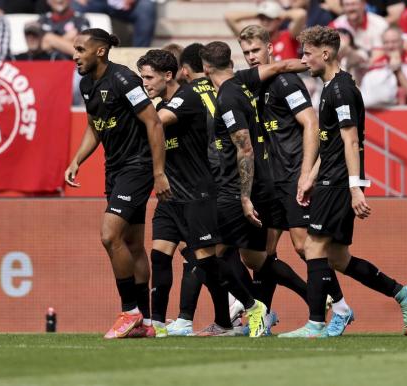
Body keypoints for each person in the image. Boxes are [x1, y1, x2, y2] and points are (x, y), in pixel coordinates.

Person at [280, 26, 407, 338]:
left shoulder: (340, 90)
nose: (304, 59)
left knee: (313, 246)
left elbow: (350, 140)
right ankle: (402, 293)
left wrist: (356, 187)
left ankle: (316, 323)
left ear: (325, 53)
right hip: (330, 178)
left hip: (339, 182)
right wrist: (309, 177)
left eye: (307, 53)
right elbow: (330, 142)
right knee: (338, 257)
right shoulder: (330, 87)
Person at [138, 49, 270, 338]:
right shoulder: (163, 102)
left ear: (168, 75)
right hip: (171, 195)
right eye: (142, 77)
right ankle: (158, 324)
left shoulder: (186, 98)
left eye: (149, 77)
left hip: (196, 193)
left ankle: (252, 305)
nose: (145, 82)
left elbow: (155, 123)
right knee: (159, 255)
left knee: (207, 262)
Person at [238, 24, 354, 337]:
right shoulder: (252, 84)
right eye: (246, 52)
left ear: (269, 49)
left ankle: (338, 306)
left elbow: (310, 124)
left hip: (291, 175)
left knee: (305, 246)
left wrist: (305, 172)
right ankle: (261, 316)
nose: (251, 57)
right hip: (268, 179)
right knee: (261, 252)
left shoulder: (286, 82)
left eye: (256, 51)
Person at [201, 41, 315, 337]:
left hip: (235, 188)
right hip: (263, 182)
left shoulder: (227, 99)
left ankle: (254, 307)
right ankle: (315, 297)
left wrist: (244, 196)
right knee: (256, 258)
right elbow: (282, 65)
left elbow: (245, 149)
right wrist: (321, 65)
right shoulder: (242, 80)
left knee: (215, 255)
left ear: (205, 68)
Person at [65, 28, 171, 339]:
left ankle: (130, 311)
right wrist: (76, 160)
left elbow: (153, 122)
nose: (75, 56)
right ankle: (147, 323)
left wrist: (159, 172)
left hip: (136, 168)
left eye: (80, 49)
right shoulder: (87, 85)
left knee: (109, 235)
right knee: (135, 245)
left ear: (99, 51)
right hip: (115, 170)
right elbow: (95, 128)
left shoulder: (124, 79)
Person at [364, 26, 407, 106]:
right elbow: (371, 95)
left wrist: (398, 71)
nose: (390, 46)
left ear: (402, 42)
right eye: (386, 42)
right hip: (383, 109)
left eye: (394, 42)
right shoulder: (377, 63)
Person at [225, 0, 307, 60]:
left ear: (279, 20)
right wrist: (258, 13)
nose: (265, 22)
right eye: (262, 18)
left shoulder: (289, 36)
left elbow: (301, 14)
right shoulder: (255, 39)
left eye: (269, 18)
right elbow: (230, 17)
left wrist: (280, 13)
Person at [71, 0, 157, 47]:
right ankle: (75, 48)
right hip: (98, 3)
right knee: (73, 4)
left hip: (129, 5)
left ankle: (141, 55)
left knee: (146, 7)